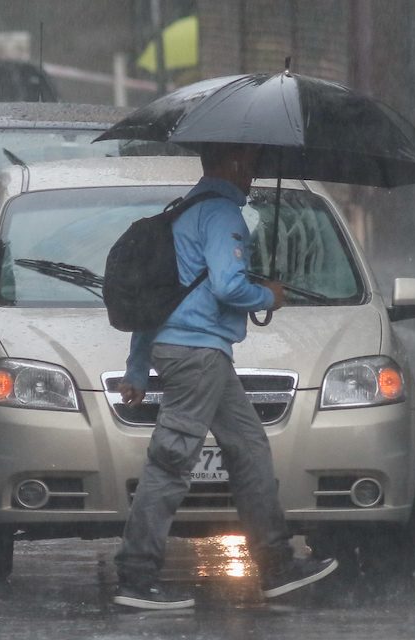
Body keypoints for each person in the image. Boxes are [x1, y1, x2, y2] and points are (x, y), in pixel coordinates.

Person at [112, 142, 338, 610]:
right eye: (251, 163)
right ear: (233, 163)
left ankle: (276, 567)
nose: (254, 173)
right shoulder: (220, 215)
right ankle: (136, 576)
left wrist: (138, 366)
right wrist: (269, 295)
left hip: (194, 351)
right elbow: (228, 286)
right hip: (198, 355)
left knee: (250, 449)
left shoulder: (181, 213)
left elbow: (155, 302)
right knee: (172, 461)